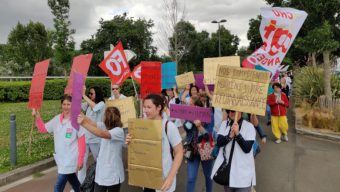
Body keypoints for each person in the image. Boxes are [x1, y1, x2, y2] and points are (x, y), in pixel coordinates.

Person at [125, 94, 184, 192]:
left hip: (163, 180)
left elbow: (179, 152)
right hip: (147, 179)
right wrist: (130, 141)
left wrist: (170, 178)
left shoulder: (169, 126)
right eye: (144, 107)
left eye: (149, 107)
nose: (145, 110)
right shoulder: (142, 125)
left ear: (159, 107)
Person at [32, 95, 85, 192]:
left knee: (58, 186)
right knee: (74, 181)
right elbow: (43, 129)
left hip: (71, 158)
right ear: (61, 105)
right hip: (61, 158)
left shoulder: (77, 121)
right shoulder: (56, 119)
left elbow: (82, 142)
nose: (66, 107)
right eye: (64, 104)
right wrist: (38, 117)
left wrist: (80, 159)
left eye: (68, 104)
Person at [77, 106, 125, 192]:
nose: (103, 118)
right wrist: (81, 114)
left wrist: (83, 124)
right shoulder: (105, 126)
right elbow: (92, 123)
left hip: (113, 172)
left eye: (105, 116)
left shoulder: (118, 131)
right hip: (102, 172)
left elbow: (102, 134)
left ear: (110, 119)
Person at [211, 110, 256, 192]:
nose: (231, 113)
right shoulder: (225, 124)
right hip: (227, 174)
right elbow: (219, 142)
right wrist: (229, 136)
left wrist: (238, 134)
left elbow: (247, 148)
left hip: (243, 175)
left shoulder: (249, 126)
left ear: (241, 112)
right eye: (229, 111)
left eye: (234, 111)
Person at [183, 95, 214, 192]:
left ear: (197, 106)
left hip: (205, 148)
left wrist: (200, 126)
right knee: (191, 178)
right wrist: (190, 121)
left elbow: (209, 136)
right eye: (189, 104)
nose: (189, 106)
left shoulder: (209, 115)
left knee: (208, 176)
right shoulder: (189, 115)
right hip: (192, 150)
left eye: (191, 104)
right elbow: (187, 129)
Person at [78, 86, 106, 184]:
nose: (90, 95)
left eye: (91, 94)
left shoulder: (101, 104)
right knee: (82, 161)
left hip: (96, 138)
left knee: (99, 161)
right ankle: (80, 185)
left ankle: (101, 182)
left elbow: (95, 107)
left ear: (97, 94)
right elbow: (77, 105)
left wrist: (83, 95)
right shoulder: (88, 105)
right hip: (85, 137)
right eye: (89, 93)